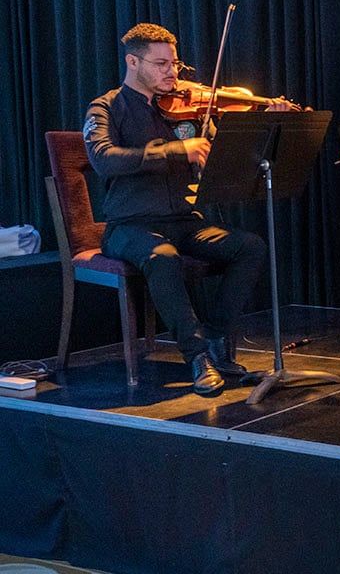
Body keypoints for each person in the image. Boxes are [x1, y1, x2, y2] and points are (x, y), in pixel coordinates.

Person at [84, 23, 281, 395]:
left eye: (174, 64)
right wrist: (176, 151)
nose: (172, 73)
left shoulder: (188, 107)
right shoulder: (106, 106)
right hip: (130, 225)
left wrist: (268, 118)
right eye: (161, 64)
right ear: (132, 61)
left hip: (185, 221)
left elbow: (230, 154)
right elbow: (103, 159)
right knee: (162, 257)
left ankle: (216, 341)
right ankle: (197, 357)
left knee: (249, 247)